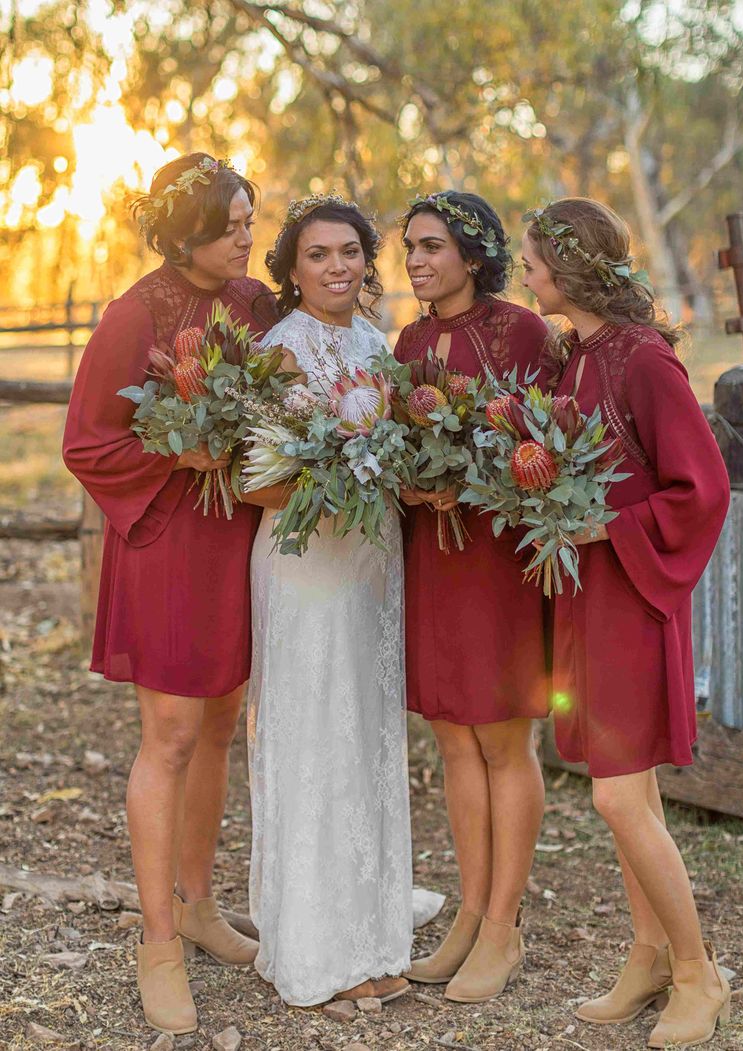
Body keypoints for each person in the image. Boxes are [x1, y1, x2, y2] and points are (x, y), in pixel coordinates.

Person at [62, 153, 278, 1036]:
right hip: (165, 539)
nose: (245, 235)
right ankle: (156, 939)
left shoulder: (258, 305)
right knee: (173, 732)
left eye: (250, 218)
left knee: (223, 718)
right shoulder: (133, 313)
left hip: (238, 536)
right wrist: (174, 455)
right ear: (185, 229)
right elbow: (85, 441)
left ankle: (197, 901)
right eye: (230, 223)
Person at [521, 197, 731, 1049]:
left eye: (533, 261)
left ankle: (698, 972)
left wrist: (612, 526)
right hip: (587, 597)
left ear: (569, 267)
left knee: (616, 794)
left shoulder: (644, 359)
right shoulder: (575, 358)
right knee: (628, 791)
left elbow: (703, 486)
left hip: (633, 597)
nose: (525, 274)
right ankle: (646, 955)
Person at [241, 193, 412, 1007]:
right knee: (316, 729)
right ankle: (318, 947)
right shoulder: (279, 350)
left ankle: (373, 932)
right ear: (292, 270)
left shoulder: (378, 346)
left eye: (350, 251)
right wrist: (332, 481)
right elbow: (259, 478)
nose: (338, 266)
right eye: (319, 255)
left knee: (367, 733)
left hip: (373, 561)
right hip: (307, 560)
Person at [395, 191, 549, 1003]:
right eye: (411, 247)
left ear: (473, 251)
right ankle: (469, 911)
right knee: (455, 740)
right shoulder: (411, 338)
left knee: (502, 743)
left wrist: (476, 478)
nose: (416, 260)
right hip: (434, 557)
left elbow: (547, 443)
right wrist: (416, 487)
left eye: (431, 246)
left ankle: (503, 926)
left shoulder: (521, 329)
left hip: (496, 562)